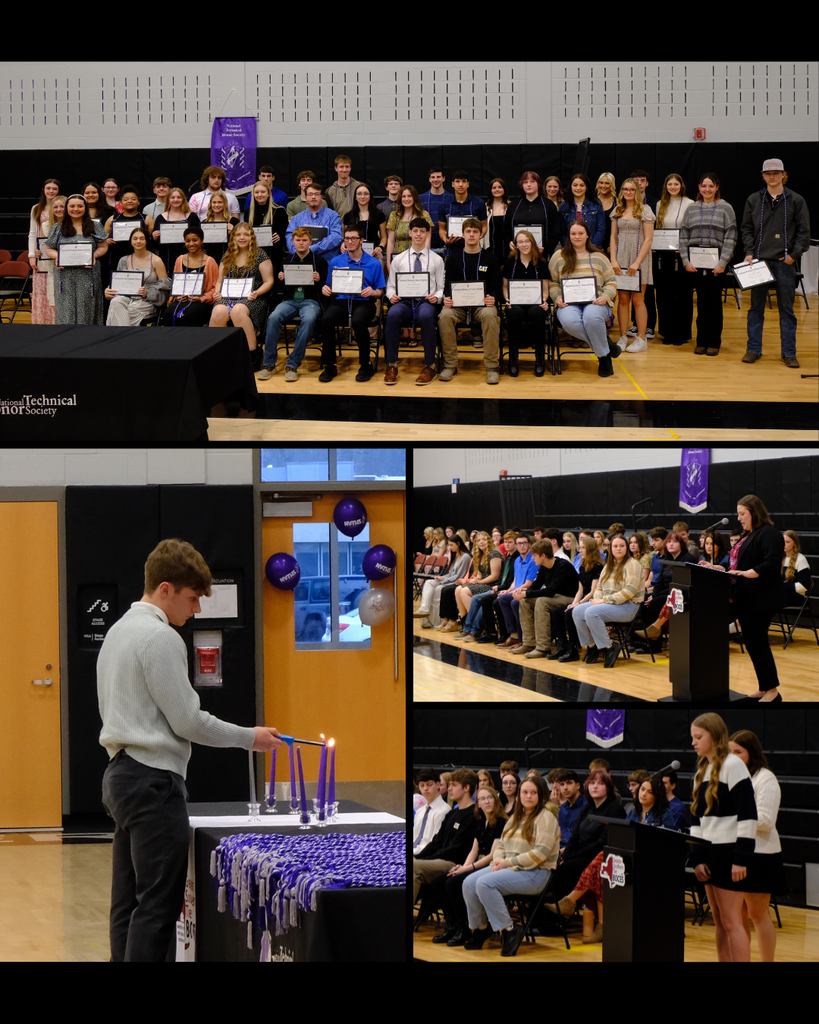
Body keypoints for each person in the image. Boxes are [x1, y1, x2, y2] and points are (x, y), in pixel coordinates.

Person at [97, 538, 286, 961]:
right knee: (157, 909)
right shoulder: (160, 638)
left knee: (127, 903)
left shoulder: (117, 631)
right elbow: (189, 722)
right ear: (165, 589)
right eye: (193, 598)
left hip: (120, 776)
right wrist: (249, 737)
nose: (196, 609)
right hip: (152, 781)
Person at [462, 775, 560, 957]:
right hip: (511, 867)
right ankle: (483, 927)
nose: (528, 796)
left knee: (484, 883)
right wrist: (499, 861)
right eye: (525, 792)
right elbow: (501, 845)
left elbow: (540, 854)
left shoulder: (546, 818)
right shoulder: (515, 817)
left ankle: (510, 930)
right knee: (468, 882)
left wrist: (508, 862)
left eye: (533, 793)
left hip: (536, 872)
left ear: (541, 795)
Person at [688, 713, 758, 963]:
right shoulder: (702, 771)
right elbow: (696, 820)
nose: (694, 743)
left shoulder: (733, 765)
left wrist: (741, 858)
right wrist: (696, 857)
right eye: (692, 737)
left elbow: (749, 816)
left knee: (732, 921)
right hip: (709, 853)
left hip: (729, 853)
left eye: (699, 737)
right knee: (718, 920)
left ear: (714, 736)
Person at [712, 494, 786, 701]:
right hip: (746, 598)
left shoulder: (768, 533)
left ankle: (772, 691)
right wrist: (720, 567)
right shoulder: (748, 535)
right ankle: (765, 688)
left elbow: (772, 562)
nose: (739, 518)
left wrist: (750, 573)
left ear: (754, 512)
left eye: (742, 513)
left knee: (758, 643)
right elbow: (738, 565)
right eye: (738, 514)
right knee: (753, 644)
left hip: (761, 598)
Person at [739, 158, 811, 368]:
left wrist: (794, 254)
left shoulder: (796, 200)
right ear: (763, 175)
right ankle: (753, 349)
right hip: (759, 263)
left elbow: (804, 232)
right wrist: (750, 252)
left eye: (776, 173)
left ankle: (789, 352)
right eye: (768, 173)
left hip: (784, 263)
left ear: (783, 174)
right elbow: (746, 229)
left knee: (786, 309)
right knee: (755, 308)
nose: (772, 176)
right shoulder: (754, 200)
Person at [727, 729, 785, 962]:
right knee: (738, 912)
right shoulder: (732, 777)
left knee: (757, 913)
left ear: (752, 753)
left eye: (738, 752)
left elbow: (766, 820)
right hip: (738, 851)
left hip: (761, 854)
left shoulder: (765, 778)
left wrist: (732, 815)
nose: (732, 757)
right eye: (729, 752)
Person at [549, 221, 621, 376]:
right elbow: (553, 282)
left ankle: (603, 358)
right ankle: (606, 347)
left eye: (580, 233)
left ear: (588, 234)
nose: (577, 236)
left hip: (596, 301)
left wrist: (605, 296)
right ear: (569, 236)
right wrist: (557, 297)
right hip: (568, 303)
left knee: (591, 317)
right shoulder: (558, 256)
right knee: (569, 322)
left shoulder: (599, 256)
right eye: (573, 233)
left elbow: (611, 282)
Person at [256, 225, 327, 381]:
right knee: (273, 318)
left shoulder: (320, 261)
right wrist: (281, 280)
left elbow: (325, 289)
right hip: (290, 300)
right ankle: (269, 364)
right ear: (293, 242)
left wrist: (319, 280)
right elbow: (281, 289)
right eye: (298, 240)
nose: (301, 243)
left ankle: (293, 364)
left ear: (310, 242)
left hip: (311, 301)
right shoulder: (287, 260)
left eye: (304, 240)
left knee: (308, 320)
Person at [679, 172, 737, 355]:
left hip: (717, 266)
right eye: (704, 186)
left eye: (711, 186)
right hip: (695, 266)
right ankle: (701, 341)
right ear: (699, 187)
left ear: (717, 187)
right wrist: (685, 261)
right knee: (701, 304)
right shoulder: (692, 208)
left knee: (714, 305)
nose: (707, 189)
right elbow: (683, 236)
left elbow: (731, 237)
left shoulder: (726, 208)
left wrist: (722, 262)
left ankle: (714, 342)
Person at [319, 224, 385, 382]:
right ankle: (330, 365)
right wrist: (326, 289)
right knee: (326, 319)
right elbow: (329, 286)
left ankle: (365, 364)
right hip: (341, 301)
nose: (350, 241)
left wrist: (372, 292)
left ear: (361, 240)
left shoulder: (374, 263)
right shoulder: (336, 261)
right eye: (347, 238)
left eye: (354, 238)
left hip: (364, 303)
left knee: (358, 321)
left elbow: (380, 292)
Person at [439, 218, 502, 384]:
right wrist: (447, 298)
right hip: (459, 306)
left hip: (482, 305)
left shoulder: (491, 259)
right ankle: (450, 364)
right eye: (468, 231)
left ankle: (491, 367)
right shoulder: (453, 259)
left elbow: (496, 287)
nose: (472, 235)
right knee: (445, 315)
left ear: (481, 234)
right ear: (463, 234)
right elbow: (447, 286)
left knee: (490, 315)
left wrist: (493, 297)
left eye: (475, 231)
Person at [383, 218, 444, 385]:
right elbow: (390, 287)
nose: (418, 234)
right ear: (409, 233)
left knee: (425, 316)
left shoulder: (436, 259)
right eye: (415, 231)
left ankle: (430, 365)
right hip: (405, 302)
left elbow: (441, 287)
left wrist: (437, 297)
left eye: (422, 231)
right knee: (392, 315)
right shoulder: (399, 259)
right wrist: (391, 296)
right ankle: (392, 365)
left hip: (426, 302)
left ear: (427, 233)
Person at [571, 534, 645, 667]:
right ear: (610, 548)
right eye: (615, 546)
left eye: (622, 546)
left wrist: (605, 600)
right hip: (608, 603)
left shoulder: (633, 565)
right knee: (577, 611)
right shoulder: (608, 566)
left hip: (628, 606)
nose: (618, 549)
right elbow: (599, 587)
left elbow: (629, 591)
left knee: (591, 612)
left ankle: (609, 647)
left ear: (626, 548)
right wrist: (599, 599)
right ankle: (592, 645)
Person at [104, 227, 169, 326]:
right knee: (115, 302)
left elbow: (165, 288)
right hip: (127, 297)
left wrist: (147, 293)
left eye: (142, 238)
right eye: (135, 239)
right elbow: (117, 282)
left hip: (147, 300)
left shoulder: (156, 260)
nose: (138, 241)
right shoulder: (123, 260)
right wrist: (109, 290)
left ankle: (121, 338)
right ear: (130, 241)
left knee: (128, 310)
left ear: (147, 241)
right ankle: (126, 337)